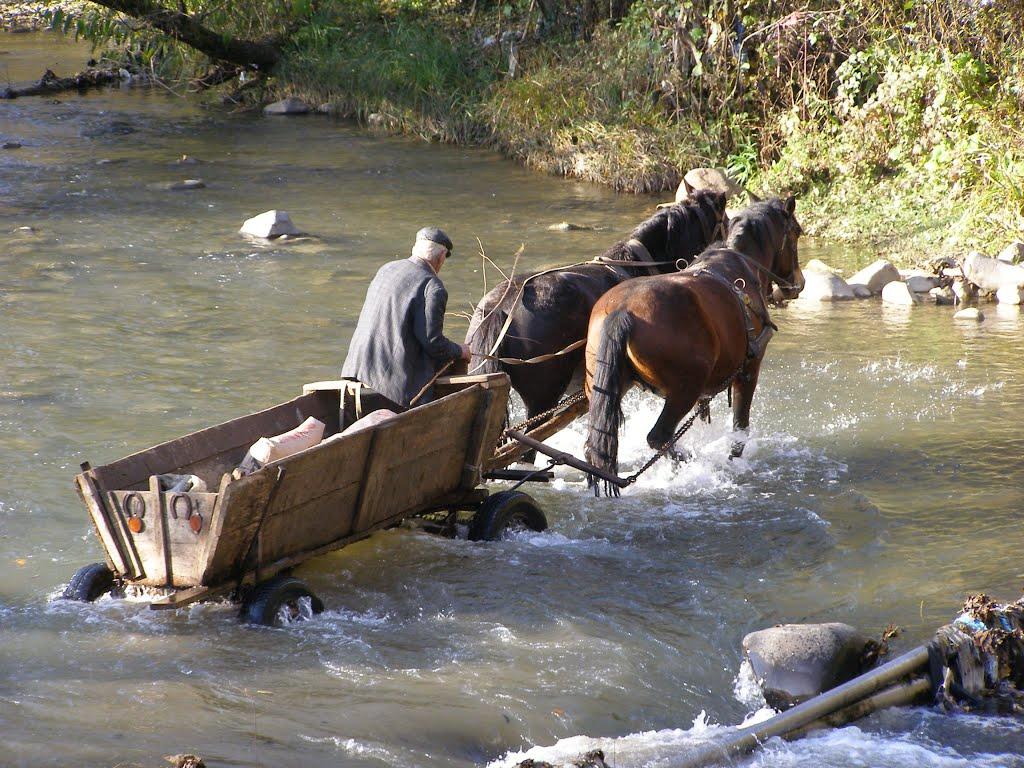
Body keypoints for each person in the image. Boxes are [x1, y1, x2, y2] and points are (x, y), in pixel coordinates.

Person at [341, 227, 471, 406]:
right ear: (441, 256)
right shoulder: (433, 286)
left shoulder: (386, 269)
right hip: (394, 388)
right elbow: (433, 343)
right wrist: (460, 350)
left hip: (356, 370)